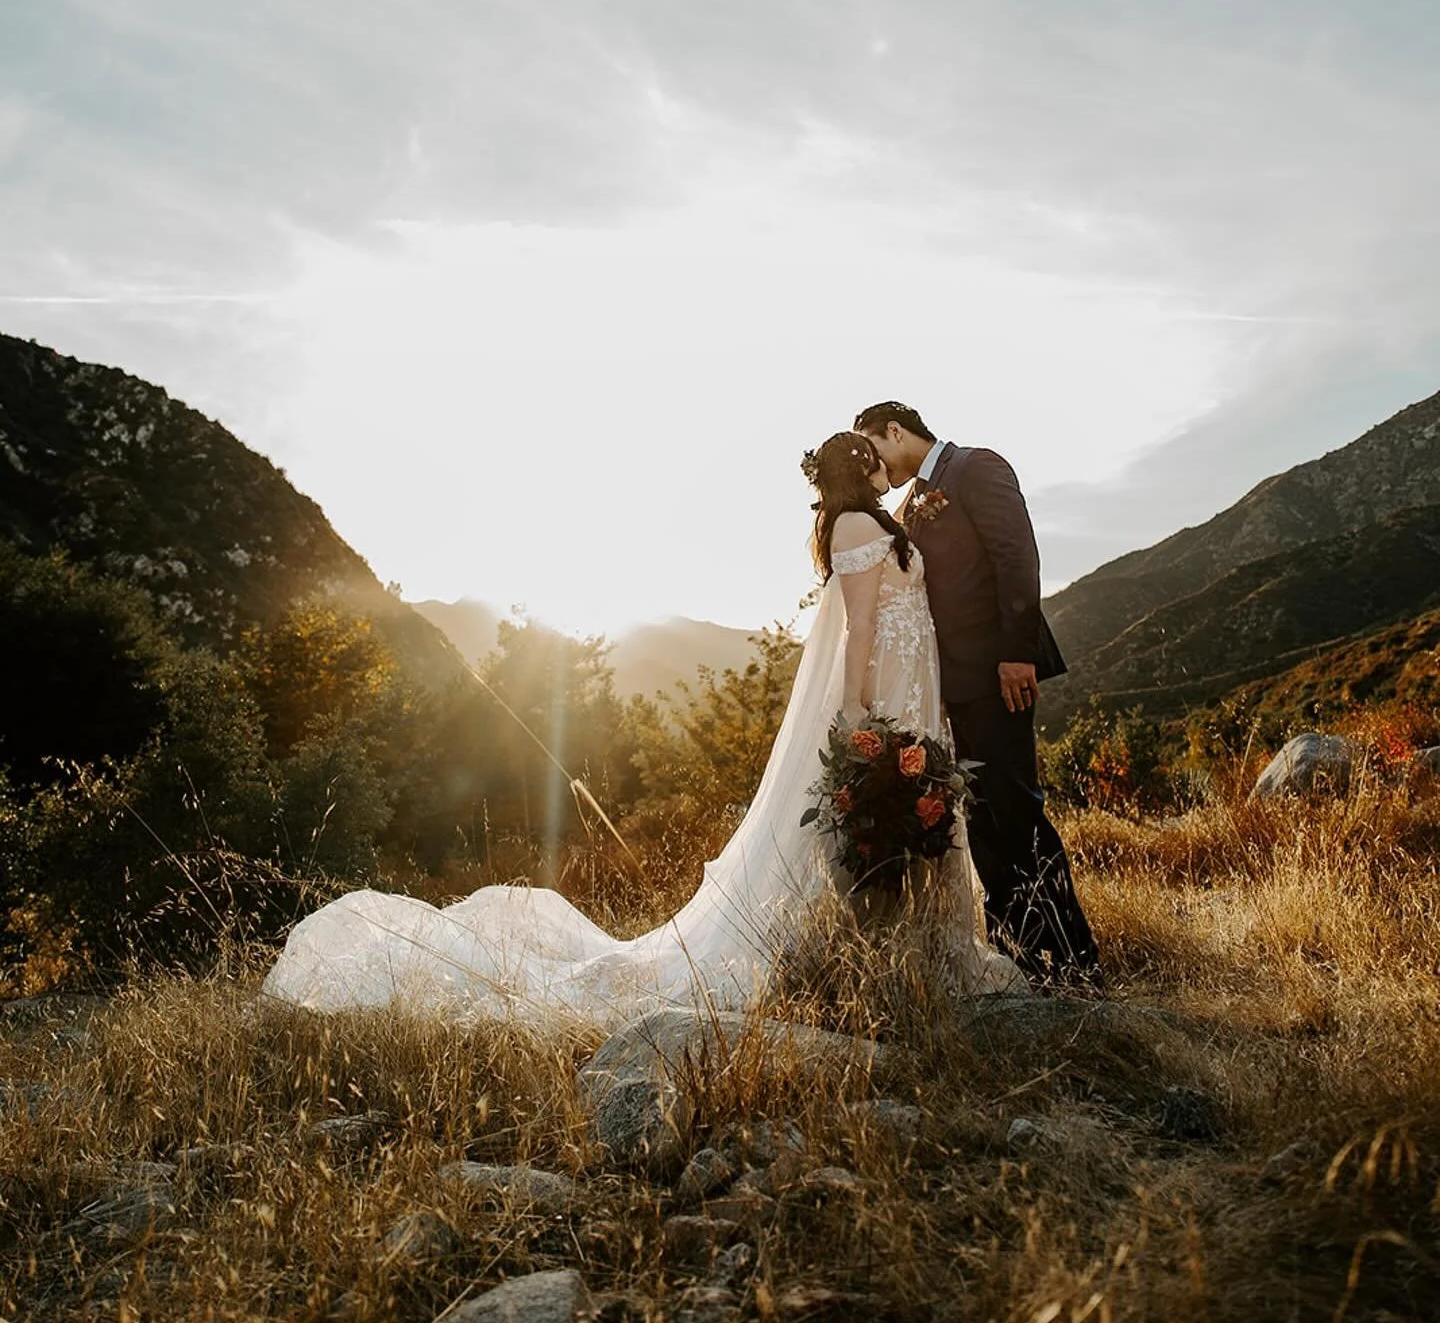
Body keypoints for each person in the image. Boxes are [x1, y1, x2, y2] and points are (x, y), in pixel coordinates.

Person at [262, 432, 1020, 1025]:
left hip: (913, 691)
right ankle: (857, 958)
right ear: (858, 470)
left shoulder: (878, 521)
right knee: (863, 828)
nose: (885, 465)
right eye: (872, 457)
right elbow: (859, 628)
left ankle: (912, 950)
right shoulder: (854, 522)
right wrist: (857, 712)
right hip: (882, 693)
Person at [854, 401, 1102, 991]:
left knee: (1017, 812)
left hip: (998, 675)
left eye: (874, 448)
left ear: (896, 431)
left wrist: (1016, 654)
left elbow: (1016, 556)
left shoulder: (976, 467)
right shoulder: (916, 498)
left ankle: (1075, 961)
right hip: (955, 684)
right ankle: (1019, 953)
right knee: (985, 822)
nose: (874, 464)